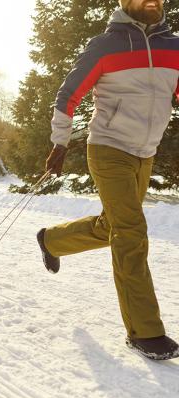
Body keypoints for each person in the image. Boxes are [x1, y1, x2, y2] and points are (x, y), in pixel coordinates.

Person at [36, 0, 179, 360]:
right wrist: (60, 142)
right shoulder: (106, 45)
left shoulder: (174, 47)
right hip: (109, 149)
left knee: (111, 225)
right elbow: (68, 95)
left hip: (145, 152)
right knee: (130, 232)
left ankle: (51, 240)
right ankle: (144, 331)